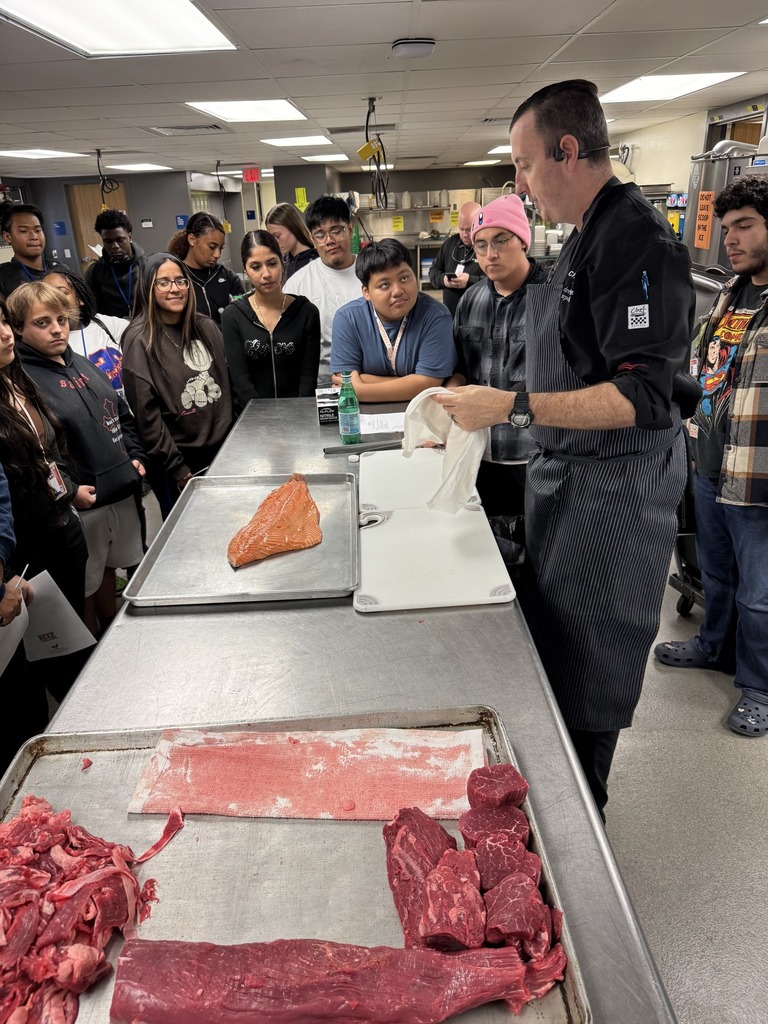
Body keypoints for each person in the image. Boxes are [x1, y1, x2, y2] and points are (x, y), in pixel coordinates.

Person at [433, 80, 695, 818]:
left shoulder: (638, 240)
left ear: (568, 151)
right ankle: (563, 805)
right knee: (558, 654)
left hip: (616, 493)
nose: (518, 184)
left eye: (523, 165)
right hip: (570, 481)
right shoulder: (585, 235)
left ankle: (586, 830)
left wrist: (511, 404)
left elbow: (643, 396)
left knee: (591, 673)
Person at [654, 175, 768, 737]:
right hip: (710, 462)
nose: (732, 240)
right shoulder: (730, 294)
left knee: (762, 595)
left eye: (745, 226)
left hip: (759, 475)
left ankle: (760, 685)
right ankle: (715, 646)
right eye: (727, 229)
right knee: (717, 573)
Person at [9, 282, 146, 636]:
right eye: (42, 322)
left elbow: (120, 412)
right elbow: (40, 449)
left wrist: (133, 454)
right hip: (81, 505)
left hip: (119, 490)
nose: (57, 329)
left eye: (61, 319)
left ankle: (108, 636)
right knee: (81, 588)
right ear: (18, 328)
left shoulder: (82, 362)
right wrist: (70, 491)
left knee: (107, 576)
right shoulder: (23, 379)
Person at [0, 292, 88, 773]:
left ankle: (75, 741)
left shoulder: (18, 379)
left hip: (62, 530)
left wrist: (69, 490)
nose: (5, 333)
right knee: (33, 673)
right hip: (23, 550)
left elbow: (51, 449)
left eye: (2, 322)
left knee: (70, 649)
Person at [450, 193, 547, 520]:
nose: (490, 254)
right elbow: (460, 368)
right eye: (480, 245)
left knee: (539, 548)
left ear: (523, 240)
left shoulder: (554, 298)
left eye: (501, 241)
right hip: (481, 452)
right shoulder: (470, 301)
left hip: (539, 454)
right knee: (489, 545)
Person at [121, 252, 234, 518]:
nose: (175, 289)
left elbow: (230, 387)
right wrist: (179, 470)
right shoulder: (139, 340)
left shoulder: (206, 327)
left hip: (224, 452)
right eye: (164, 282)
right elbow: (149, 420)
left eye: (180, 281)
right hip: (179, 464)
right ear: (149, 287)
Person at [329, 239, 455, 402]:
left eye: (404, 278)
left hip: (421, 415)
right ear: (366, 292)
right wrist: (415, 383)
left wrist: (360, 390)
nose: (397, 291)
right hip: (364, 418)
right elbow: (344, 379)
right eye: (384, 285)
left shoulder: (435, 316)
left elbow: (429, 382)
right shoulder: (348, 318)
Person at [222, 231, 320, 404]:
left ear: (282, 263)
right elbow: (241, 382)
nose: (266, 274)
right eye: (256, 267)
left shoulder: (306, 313)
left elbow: (308, 379)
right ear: (245, 270)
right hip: (253, 417)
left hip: (299, 415)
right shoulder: (234, 315)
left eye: (272, 263)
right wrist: (263, 420)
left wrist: (299, 414)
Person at [289, 196, 361, 384]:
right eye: (320, 234)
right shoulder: (297, 284)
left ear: (350, 229)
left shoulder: (373, 273)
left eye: (336, 231)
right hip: (320, 383)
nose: (329, 240)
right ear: (313, 240)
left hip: (370, 378)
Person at [43, 267, 128, 397]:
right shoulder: (46, 341)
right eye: (47, 295)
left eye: (61, 293)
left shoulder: (107, 325)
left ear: (80, 299)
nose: (54, 300)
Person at [167, 211, 243, 325]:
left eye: (221, 248)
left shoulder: (228, 278)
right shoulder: (175, 279)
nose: (217, 254)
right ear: (192, 239)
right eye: (212, 247)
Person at [85, 209, 145, 319]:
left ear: (130, 237)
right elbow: (92, 309)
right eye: (108, 241)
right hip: (112, 331)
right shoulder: (95, 272)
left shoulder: (147, 266)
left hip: (145, 328)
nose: (115, 246)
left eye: (120, 240)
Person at [428, 201, 485, 316]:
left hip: (478, 318)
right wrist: (443, 279)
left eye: (469, 230)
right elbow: (433, 271)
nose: (464, 234)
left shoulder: (487, 247)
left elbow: (497, 282)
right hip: (450, 316)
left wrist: (470, 281)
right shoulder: (450, 244)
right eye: (461, 229)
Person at [0, 204, 67, 296]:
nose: (34, 237)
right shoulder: (3, 277)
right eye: (23, 231)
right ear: (7, 237)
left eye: (38, 230)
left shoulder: (62, 270)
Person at [265, 203, 318, 280]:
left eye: (277, 236)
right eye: (272, 238)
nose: (275, 242)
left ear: (293, 228)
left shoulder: (316, 260)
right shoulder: (283, 261)